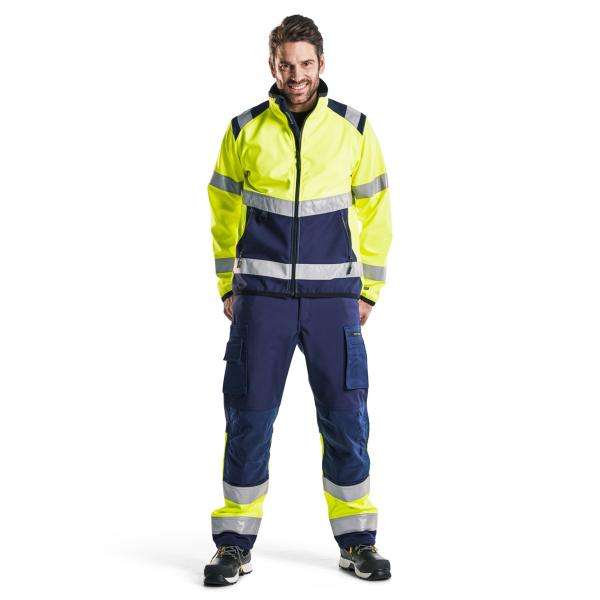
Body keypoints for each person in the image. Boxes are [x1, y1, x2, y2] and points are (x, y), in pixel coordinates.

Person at [204, 14, 393, 586]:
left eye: (305, 64)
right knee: (248, 417)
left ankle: (357, 540)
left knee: (345, 419)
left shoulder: (354, 128)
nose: (296, 75)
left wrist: (368, 290)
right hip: (262, 300)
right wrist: (228, 284)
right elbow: (222, 208)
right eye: (286, 65)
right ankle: (233, 544)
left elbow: (377, 209)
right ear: (272, 65)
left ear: (321, 64)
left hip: (334, 301)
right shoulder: (244, 130)